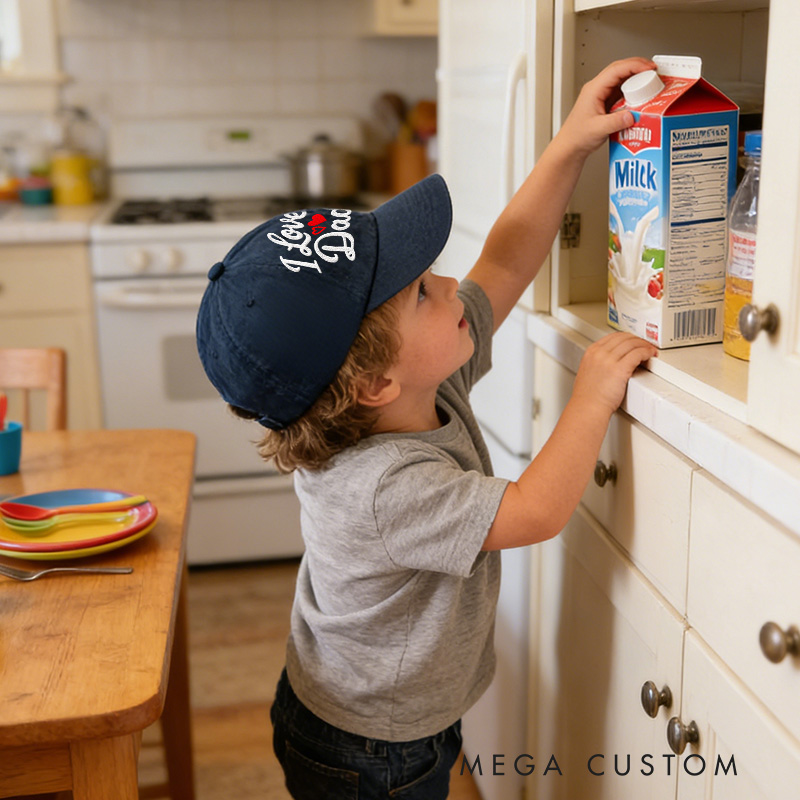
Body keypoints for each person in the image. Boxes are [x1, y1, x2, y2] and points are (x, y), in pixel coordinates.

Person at [196, 57, 659, 800]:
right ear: (377, 381)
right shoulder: (385, 485)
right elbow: (535, 512)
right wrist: (593, 394)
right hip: (369, 751)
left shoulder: (416, 382)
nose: (451, 285)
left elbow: (505, 259)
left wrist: (570, 143)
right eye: (422, 292)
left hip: (388, 718)